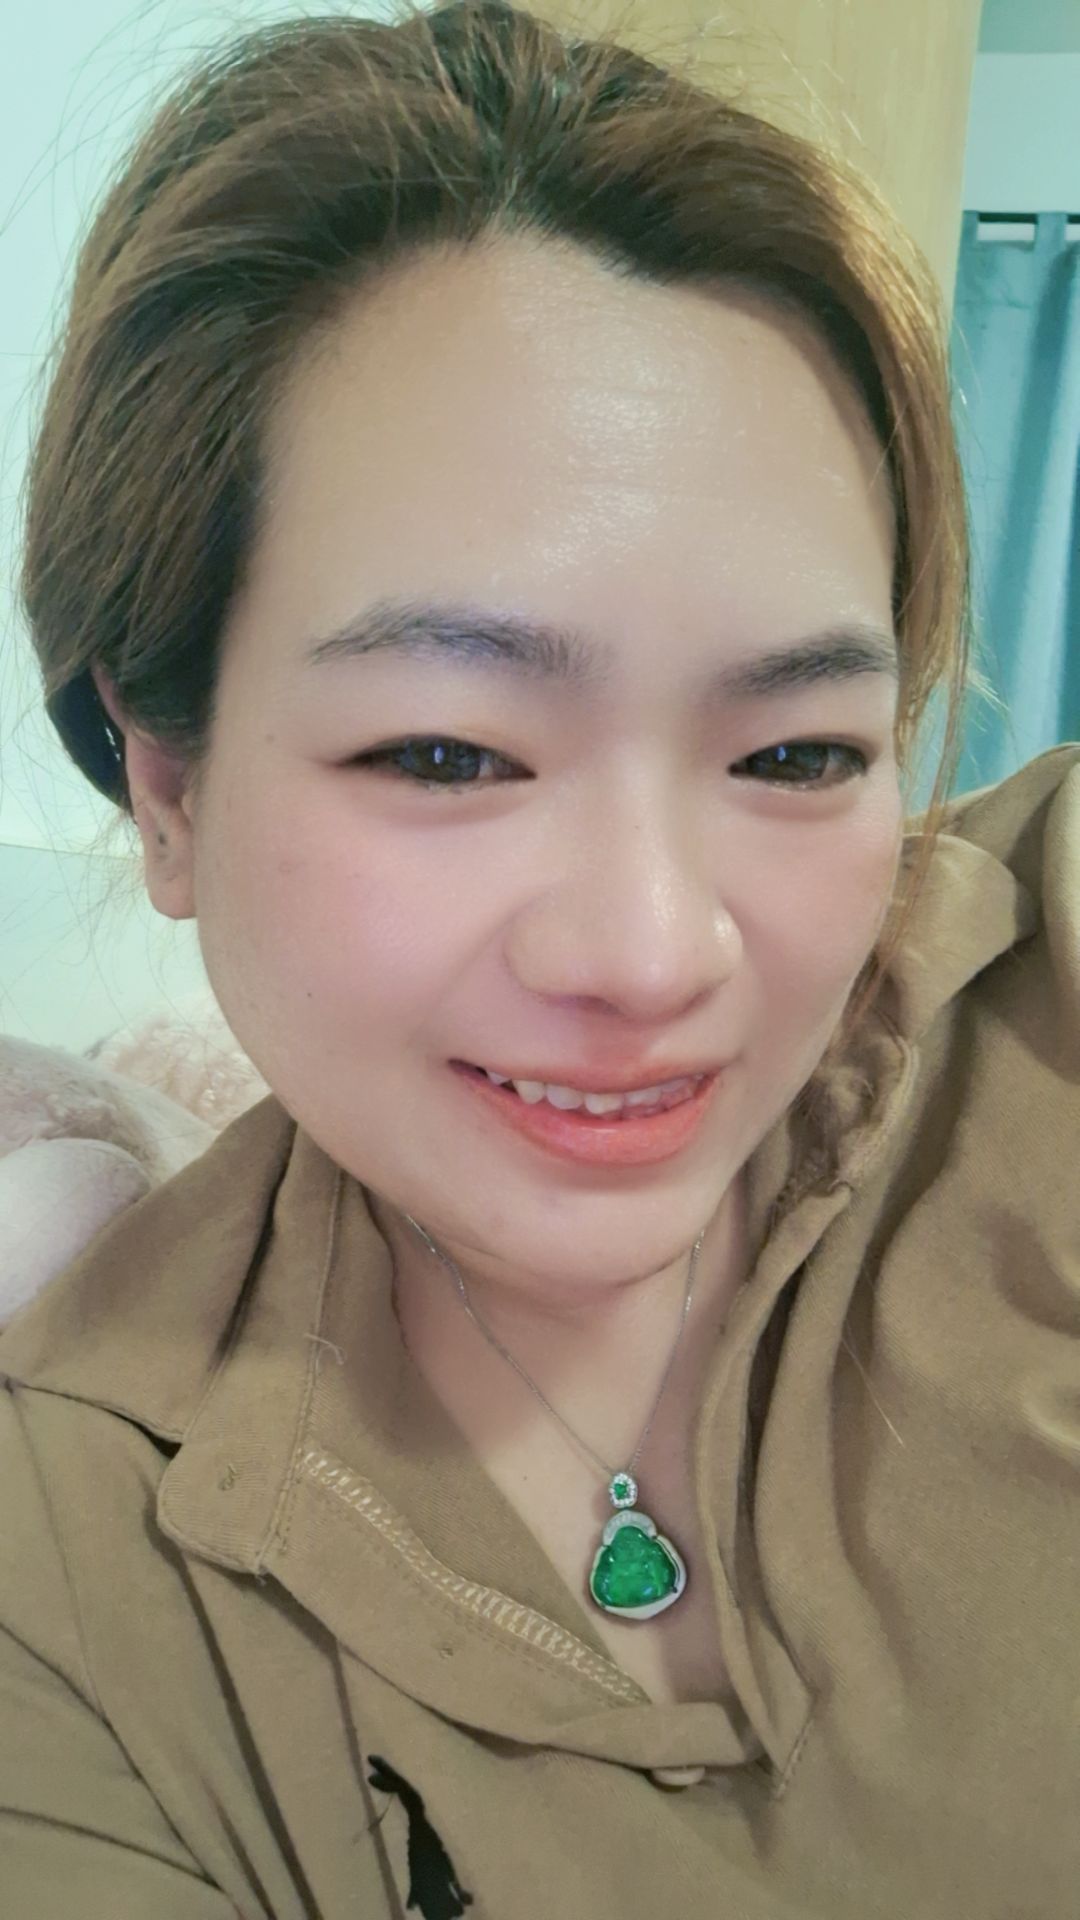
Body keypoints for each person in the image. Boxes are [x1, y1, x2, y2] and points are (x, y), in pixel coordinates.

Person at [1, 1, 1077, 1914]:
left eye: (798, 756)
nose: (655, 955)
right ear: (164, 784)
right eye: (446, 754)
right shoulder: (68, 1572)